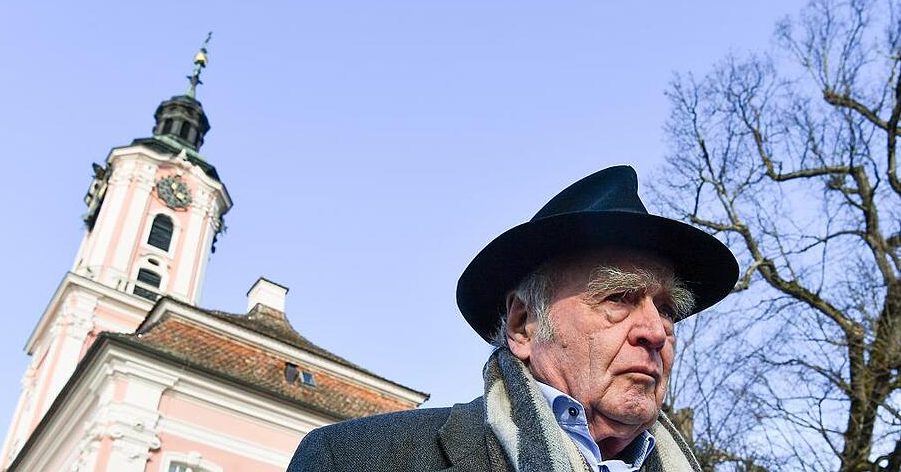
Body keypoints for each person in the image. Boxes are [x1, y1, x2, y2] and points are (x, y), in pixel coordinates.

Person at [287, 166, 738, 472]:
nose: (656, 331)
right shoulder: (353, 460)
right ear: (524, 325)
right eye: (618, 297)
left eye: (666, 308)